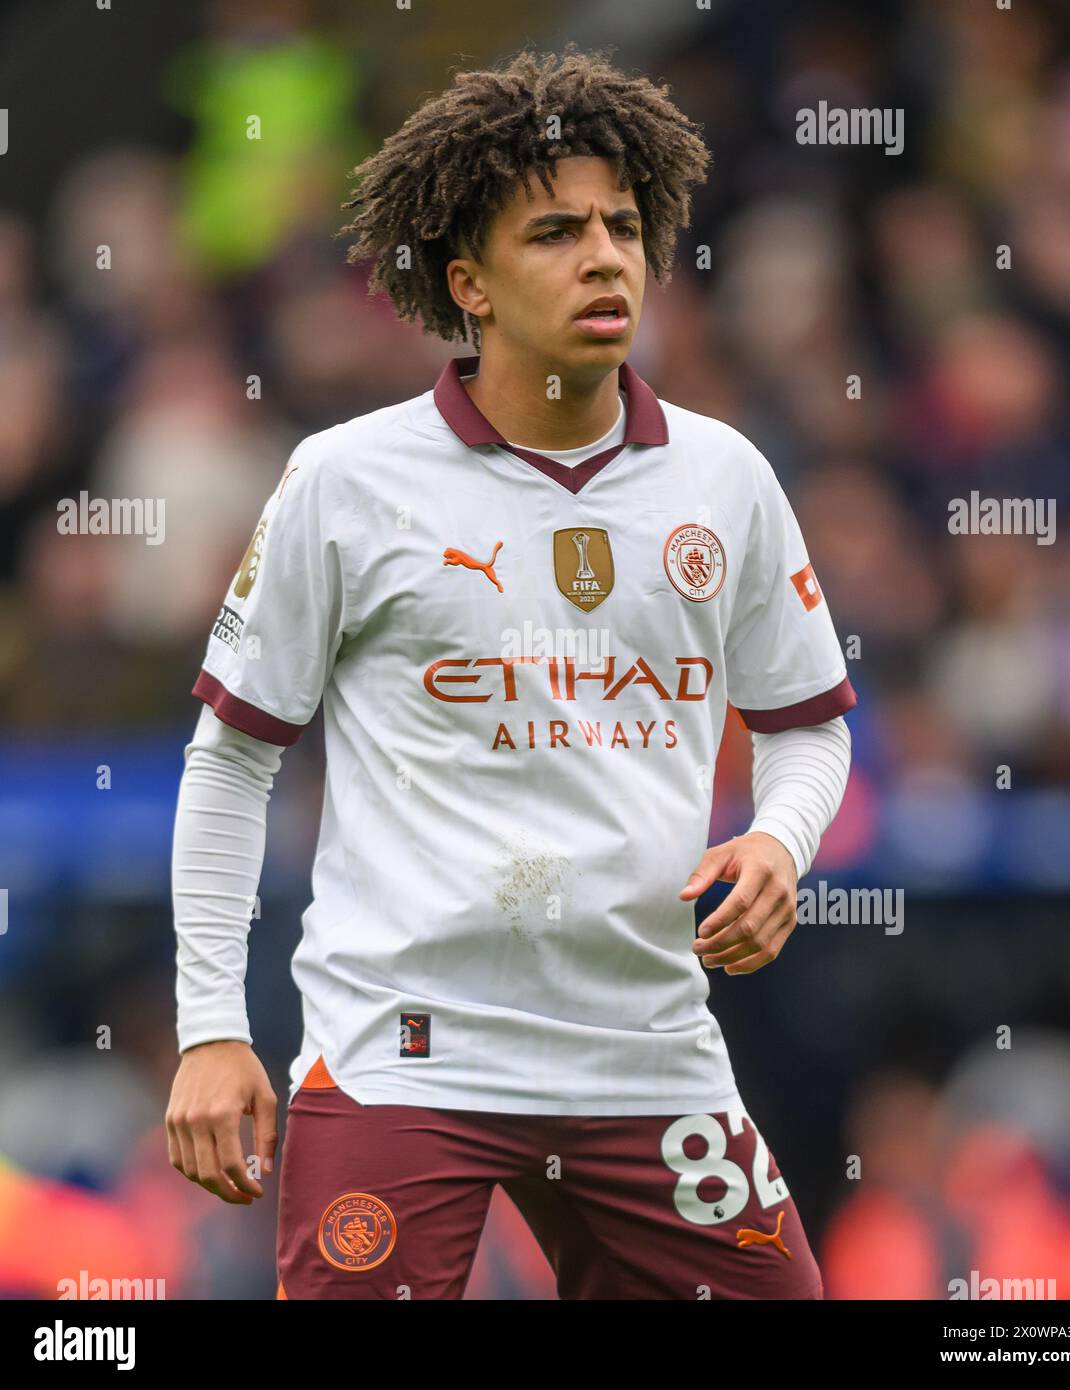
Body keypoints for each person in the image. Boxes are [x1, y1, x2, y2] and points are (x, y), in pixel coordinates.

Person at [166, 45, 856, 1301]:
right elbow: (233, 760)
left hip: (645, 1052)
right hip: (404, 1053)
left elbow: (807, 727)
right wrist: (212, 1025)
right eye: (555, 232)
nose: (605, 256)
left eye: (624, 226)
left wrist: (779, 841)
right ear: (467, 282)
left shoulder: (726, 479)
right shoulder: (347, 480)